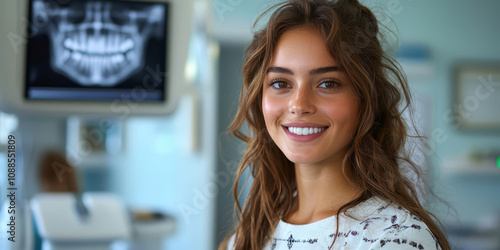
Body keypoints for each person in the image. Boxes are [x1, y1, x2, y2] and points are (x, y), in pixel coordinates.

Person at [220, 0, 450, 249]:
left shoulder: (395, 238)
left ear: (366, 101)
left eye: (328, 83)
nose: (299, 105)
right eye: (280, 83)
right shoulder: (250, 232)